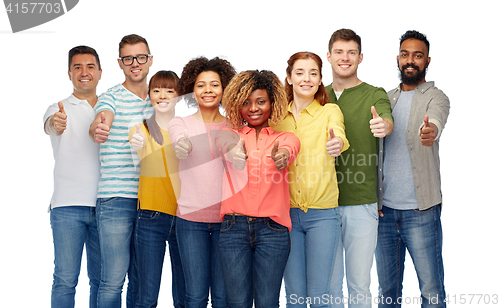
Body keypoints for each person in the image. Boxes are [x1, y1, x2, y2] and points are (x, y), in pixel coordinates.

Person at [375, 30, 449, 308]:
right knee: (387, 292)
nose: (410, 60)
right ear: (398, 59)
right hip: (383, 212)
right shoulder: (385, 99)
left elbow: (436, 121)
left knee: (431, 291)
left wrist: (431, 130)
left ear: (427, 60)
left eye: (417, 56)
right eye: (405, 54)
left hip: (421, 212)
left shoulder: (437, 97)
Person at [215, 70, 300, 308]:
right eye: (246, 102)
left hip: (272, 231)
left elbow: (290, 148)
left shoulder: (285, 137)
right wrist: (234, 152)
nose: (253, 108)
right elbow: (224, 144)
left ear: (272, 103)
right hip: (233, 228)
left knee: (267, 301)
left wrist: (282, 156)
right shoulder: (230, 134)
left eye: (261, 102)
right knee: (238, 302)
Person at [273, 51, 349, 308]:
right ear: (290, 78)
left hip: (323, 214)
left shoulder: (329, 111)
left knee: (319, 295)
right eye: (300, 73)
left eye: (313, 73)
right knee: (294, 295)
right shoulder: (277, 117)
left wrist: (337, 142)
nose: (307, 79)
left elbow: (338, 133)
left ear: (320, 80)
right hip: (286, 215)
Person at [325, 29, 394, 308]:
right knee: (328, 287)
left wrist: (384, 126)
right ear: (328, 57)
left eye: (351, 52)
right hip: (322, 206)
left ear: (360, 57)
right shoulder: (317, 94)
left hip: (362, 203)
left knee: (359, 285)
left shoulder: (374, 94)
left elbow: (386, 120)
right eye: (339, 52)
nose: (345, 58)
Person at [89, 34, 153, 308]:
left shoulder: (161, 99)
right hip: (116, 198)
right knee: (113, 279)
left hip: (151, 201)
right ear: (120, 63)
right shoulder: (111, 97)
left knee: (141, 280)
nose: (135, 63)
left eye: (140, 57)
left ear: (150, 60)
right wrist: (98, 128)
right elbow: (101, 118)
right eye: (128, 59)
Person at [168, 56, 236, 308]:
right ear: (191, 90)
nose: (208, 90)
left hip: (226, 222)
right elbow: (178, 138)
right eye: (201, 85)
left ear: (224, 88)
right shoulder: (181, 123)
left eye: (214, 84)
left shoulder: (234, 126)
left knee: (221, 296)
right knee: (195, 296)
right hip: (190, 222)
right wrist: (182, 145)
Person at [43, 45, 102, 308]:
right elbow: (50, 126)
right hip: (67, 206)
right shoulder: (57, 108)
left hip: (106, 207)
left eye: (90, 66)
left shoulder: (110, 109)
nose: (84, 72)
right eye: (77, 67)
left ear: (100, 72)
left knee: (103, 281)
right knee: (65, 280)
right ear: (69, 73)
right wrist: (56, 123)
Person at [128, 70, 185, 308]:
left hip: (185, 217)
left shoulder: (185, 130)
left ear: (179, 96)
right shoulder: (140, 129)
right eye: (157, 90)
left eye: (170, 91)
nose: (163, 96)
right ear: (149, 95)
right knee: (147, 294)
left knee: (185, 293)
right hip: (150, 215)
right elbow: (135, 144)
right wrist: (136, 143)